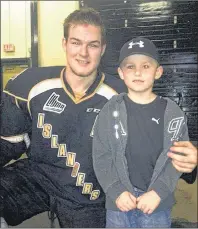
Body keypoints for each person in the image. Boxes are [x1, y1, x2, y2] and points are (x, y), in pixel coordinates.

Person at [0, 8, 197, 228]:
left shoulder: (124, 95)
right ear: (65, 44)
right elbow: (9, 143)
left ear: (102, 49)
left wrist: (187, 162)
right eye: (76, 43)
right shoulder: (30, 85)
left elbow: (156, 146)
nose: (83, 53)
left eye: (92, 45)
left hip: (91, 194)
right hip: (38, 178)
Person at [92, 37, 197, 228]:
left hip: (156, 204)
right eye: (130, 66)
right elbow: (101, 156)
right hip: (119, 204)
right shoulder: (110, 110)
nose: (138, 72)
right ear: (121, 73)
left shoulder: (172, 112)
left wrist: (159, 192)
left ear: (158, 72)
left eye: (146, 66)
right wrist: (116, 190)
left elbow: (178, 159)